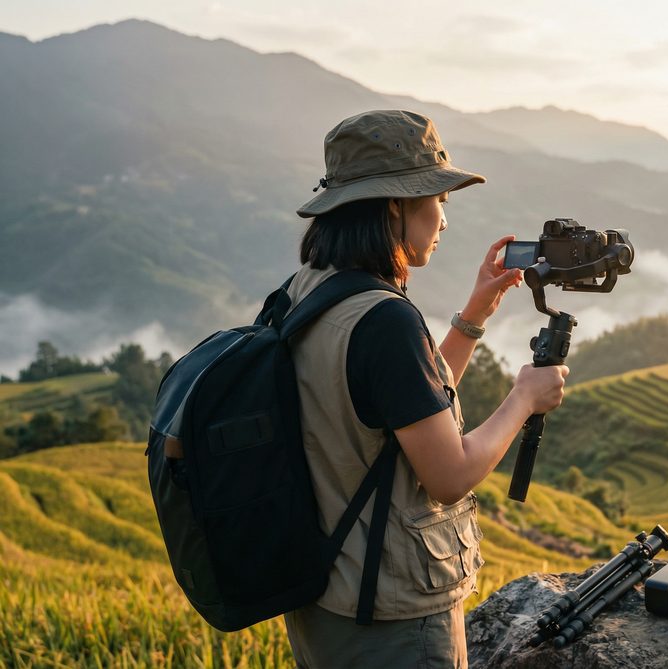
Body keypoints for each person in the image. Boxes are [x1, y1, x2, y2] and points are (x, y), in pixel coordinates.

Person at [280, 109, 569, 668]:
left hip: (327, 601)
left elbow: (398, 409)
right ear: (396, 206)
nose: (443, 219)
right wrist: (523, 399)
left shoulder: (309, 292)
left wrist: (475, 313)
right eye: (439, 200)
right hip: (391, 618)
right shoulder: (385, 320)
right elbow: (448, 472)